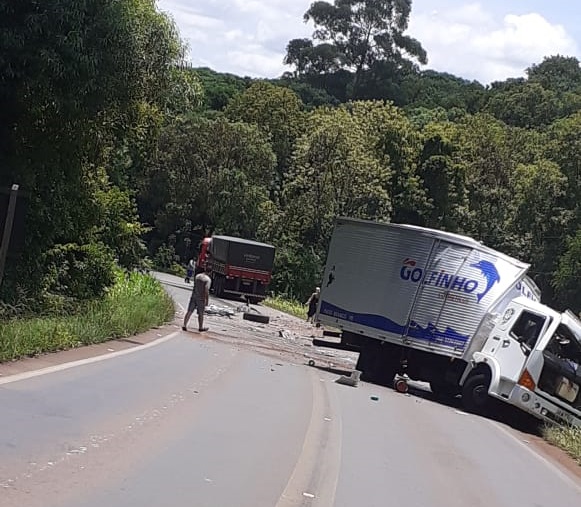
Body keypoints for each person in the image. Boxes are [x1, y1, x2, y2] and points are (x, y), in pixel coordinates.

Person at [182, 263, 212, 332]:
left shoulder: (197, 276)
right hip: (201, 298)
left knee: (189, 311)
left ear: (205, 269)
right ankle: (200, 327)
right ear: (210, 272)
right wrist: (206, 300)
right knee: (201, 313)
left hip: (194, 295)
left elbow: (195, 286)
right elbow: (206, 290)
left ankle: (184, 325)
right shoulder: (208, 280)